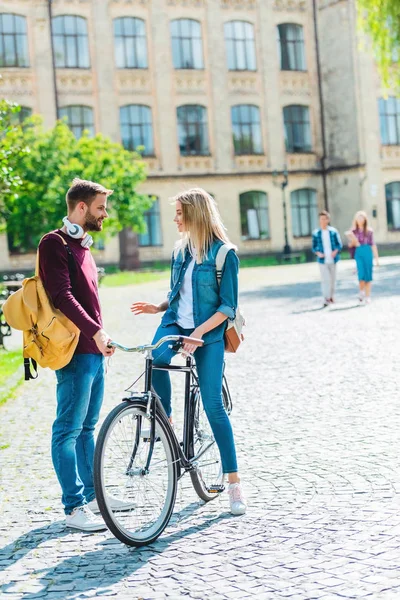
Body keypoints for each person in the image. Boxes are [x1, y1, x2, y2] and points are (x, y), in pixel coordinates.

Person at [131, 188, 247, 516]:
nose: (175, 219)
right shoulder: (180, 251)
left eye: (179, 213)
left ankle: (234, 482)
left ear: (195, 214)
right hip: (174, 325)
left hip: (208, 335)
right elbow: (179, 293)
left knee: (212, 405)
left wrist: (198, 333)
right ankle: (166, 418)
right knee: (155, 359)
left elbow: (228, 306)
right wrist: (159, 307)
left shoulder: (225, 254)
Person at [39, 178, 119, 532]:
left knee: (88, 428)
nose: (105, 214)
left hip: (94, 352)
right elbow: (62, 296)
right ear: (81, 207)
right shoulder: (53, 243)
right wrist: (95, 332)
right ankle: (74, 508)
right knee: (67, 430)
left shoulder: (83, 246)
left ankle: (95, 495)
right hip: (74, 352)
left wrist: (102, 336)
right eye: (101, 207)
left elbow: (89, 300)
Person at [347, 210, 379, 304]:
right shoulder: (353, 231)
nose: (360, 220)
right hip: (359, 252)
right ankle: (361, 292)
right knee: (361, 274)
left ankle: (368, 296)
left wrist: (377, 259)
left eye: (362, 218)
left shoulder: (369, 231)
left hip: (367, 252)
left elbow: (373, 244)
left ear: (365, 220)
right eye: (358, 218)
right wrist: (353, 242)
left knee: (368, 275)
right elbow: (350, 246)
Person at [312, 211, 343, 307]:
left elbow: (339, 244)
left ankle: (331, 296)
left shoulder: (333, 232)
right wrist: (318, 253)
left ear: (328, 220)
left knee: (333, 279)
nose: (323, 221)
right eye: (321, 219)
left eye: (325, 219)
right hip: (322, 260)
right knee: (326, 279)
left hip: (333, 259)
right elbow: (314, 247)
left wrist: (335, 251)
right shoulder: (316, 233)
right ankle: (326, 298)